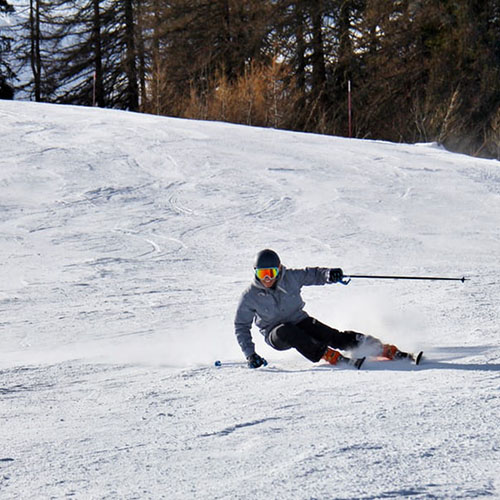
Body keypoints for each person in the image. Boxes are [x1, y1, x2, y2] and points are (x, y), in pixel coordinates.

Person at [234, 249, 401, 368]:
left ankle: (377, 348)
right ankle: (326, 354)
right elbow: (241, 326)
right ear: (255, 273)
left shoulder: (290, 278)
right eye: (262, 274)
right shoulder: (250, 296)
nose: (267, 279)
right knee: (287, 330)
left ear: (279, 270)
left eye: (271, 273)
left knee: (330, 335)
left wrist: (329, 275)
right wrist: (250, 355)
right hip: (276, 334)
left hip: (299, 320)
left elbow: (312, 274)